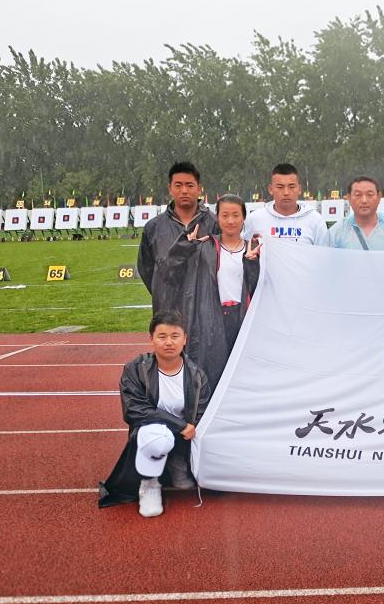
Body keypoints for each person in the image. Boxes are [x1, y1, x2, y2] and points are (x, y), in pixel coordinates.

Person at [98, 310, 211, 518]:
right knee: (158, 436)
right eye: (162, 336)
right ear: (151, 338)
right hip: (152, 434)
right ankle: (149, 483)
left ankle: (177, 462)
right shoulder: (136, 369)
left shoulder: (196, 375)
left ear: (185, 339)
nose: (169, 342)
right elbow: (134, 410)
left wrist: (190, 429)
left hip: (184, 437)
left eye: (175, 336)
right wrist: (178, 425)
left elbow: (202, 412)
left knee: (188, 483)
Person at [153, 195, 261, 390]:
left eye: (236, 215)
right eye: (225, 215)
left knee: (242, 374)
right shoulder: (204, 247)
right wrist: (184, 247)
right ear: (217, 218)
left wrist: (252, 264)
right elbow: (169, 273)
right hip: (211, 319)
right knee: (213, 373)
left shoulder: (254, 249)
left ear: (244, 218)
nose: (230, 221)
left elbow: (260, 289)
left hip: (243, 319)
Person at [137, 161, 218, 297]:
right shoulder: (154, 228)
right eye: (178, 185)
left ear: (199, 189)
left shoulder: (215, 224)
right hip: (168, 306)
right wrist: (164, 294)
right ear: (170, 189)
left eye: (190, 185)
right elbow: (146, 269)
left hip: (206, 306)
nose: (184, 191)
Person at [243, 163, 328, 247]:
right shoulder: (254, 219)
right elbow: (244, 251)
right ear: (271, 189)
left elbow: (324, 253)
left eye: (291, 187)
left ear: (299, 189)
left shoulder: (315, 220)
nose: (286, 192)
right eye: (280, 187)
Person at [324, 176, 384, 251]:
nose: (364, 200)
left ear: (379, 197)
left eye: (370, 195)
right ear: (349, 198)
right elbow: (324, 262)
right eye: (358, 195)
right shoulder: (336, 233)